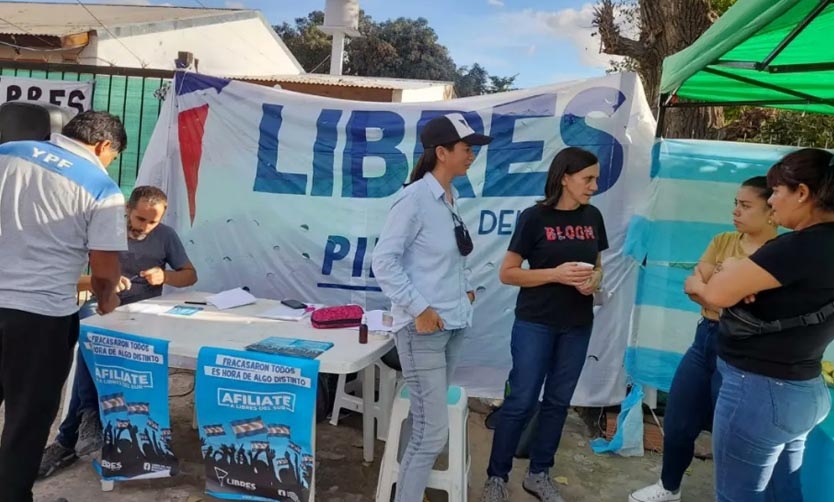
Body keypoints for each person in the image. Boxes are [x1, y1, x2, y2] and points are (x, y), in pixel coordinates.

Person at [684, 148, 834, 502]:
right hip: (805, 387)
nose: (773, 202)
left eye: (777, 192)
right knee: (785, 492)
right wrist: (736, 285)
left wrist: (699, 285)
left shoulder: (796, 247)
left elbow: (716, 292)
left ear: (802, 193)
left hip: (761, 390)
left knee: (737, 495)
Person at [0, 111, 128, 502]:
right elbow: (105, 270)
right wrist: (107, 298)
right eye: (113, 156)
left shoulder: (9, 152)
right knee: (27, 419)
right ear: (104, 146)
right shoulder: (101, 188)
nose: (109, 164)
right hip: (40, 318)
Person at [629, 176, 778, 502]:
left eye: (746, 205)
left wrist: (712, 288)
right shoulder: (724, 239)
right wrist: (723, 295)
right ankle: (669, 487)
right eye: (735, 203)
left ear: (771, 211)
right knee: (680, 419)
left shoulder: (778, 254)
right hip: (705, 340)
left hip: (744, 350)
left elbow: (751, 307)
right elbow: (692, 283)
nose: (736, 211)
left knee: (733, 436)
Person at [39, 185, 197, 479]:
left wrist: (166, 275)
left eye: (153, 222)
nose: (146, 228)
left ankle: (80, 425)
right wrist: (104, 280)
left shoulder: (166, 236)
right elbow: (68, 278)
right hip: (103, 304)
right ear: (127, 209)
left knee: (93, 343)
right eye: (140, 220)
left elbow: (190, 275)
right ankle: (85, 418)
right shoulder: (102, 231)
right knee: (93, 334)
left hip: (148, 312)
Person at [372, 113, 491, 502]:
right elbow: (383, 262)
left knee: (424, 426)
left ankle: (409, 487)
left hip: (452, 324)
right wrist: (419, 307)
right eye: (466, 149)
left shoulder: (449, 198)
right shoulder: (414, 199)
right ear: (442, 152)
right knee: (431, 432)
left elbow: (454, 258)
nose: (471, 155)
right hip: (423, 329)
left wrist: (466, 291)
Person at [481, 147, 608, 502]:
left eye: (595, 178)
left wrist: (594, 280)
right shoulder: (534, 218)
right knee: (521, 400)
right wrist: (555, 274)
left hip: (578, 325)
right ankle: (496, 476)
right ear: (564, 178)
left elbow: (599, 266)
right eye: (588, 179)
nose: (594, 186)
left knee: (557, 402)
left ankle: (539, 474)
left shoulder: (593, 217)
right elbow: (507, 274)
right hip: (535, 323)